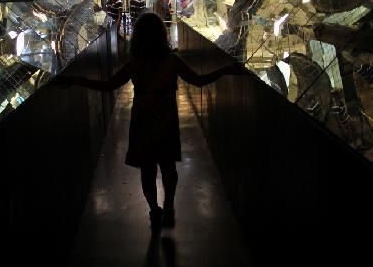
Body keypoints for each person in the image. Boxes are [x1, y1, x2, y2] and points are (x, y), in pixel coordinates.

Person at [55, 13, 243, 230]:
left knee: (147, 169)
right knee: (168, 166)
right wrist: (226, 70)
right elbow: (199, 81)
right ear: (162, 35)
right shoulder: (172, 61)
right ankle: (169, 206)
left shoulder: (136, 63)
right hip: (166, 119)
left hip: (142, 120)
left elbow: (108, 85)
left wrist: (77, 80)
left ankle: (154, 210)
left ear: (139, 37)